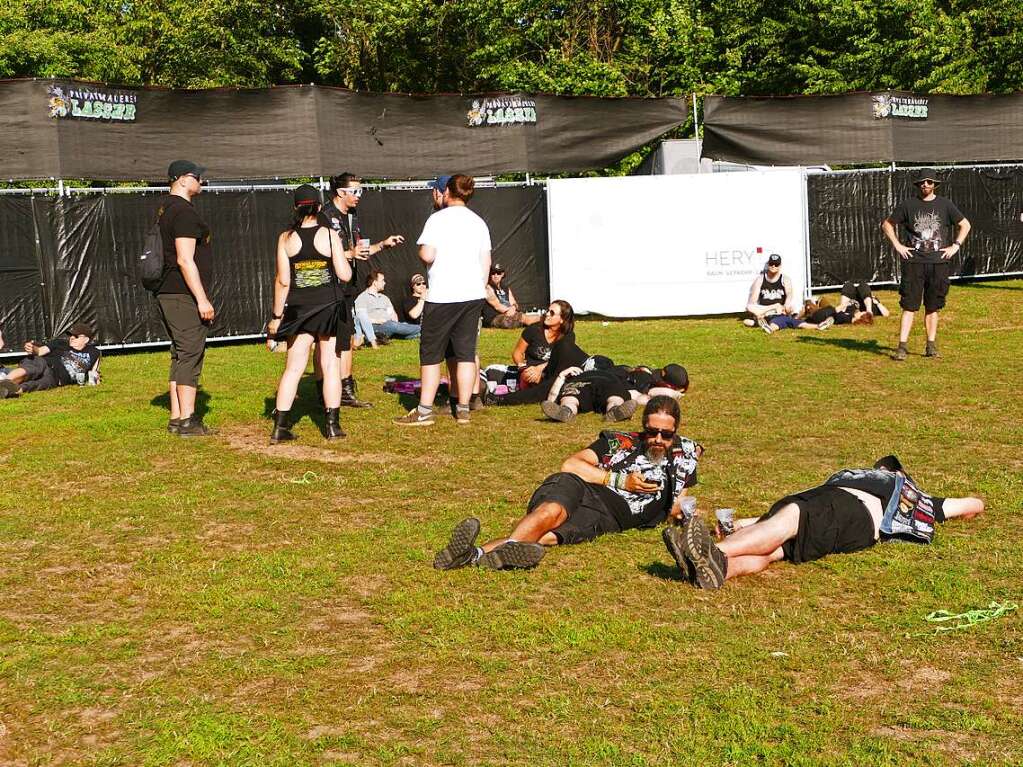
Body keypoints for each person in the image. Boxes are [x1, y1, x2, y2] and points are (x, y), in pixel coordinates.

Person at [433, 396, 701, 570]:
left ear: (675, 431)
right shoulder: (620, 441)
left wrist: (687, 516)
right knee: (551, 514)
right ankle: (501, 557)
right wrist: (620, 480)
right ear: (643, 427)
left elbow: (678, 505)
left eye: (666, 434)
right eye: (652, 431)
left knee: (548, 537)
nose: (657, 438)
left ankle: (473, 556)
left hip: (610, 518)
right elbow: (571, 465)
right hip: (582, 488)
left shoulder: (685, 456)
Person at [662, 454, 984, 590]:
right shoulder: (922, 505)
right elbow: (973, 505)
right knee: (777, 551)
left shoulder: (883, 486)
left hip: (842, 507)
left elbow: (975, 504)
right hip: (856, 534)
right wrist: (745, 524)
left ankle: (710, 552)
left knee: (792, 518)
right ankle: (717, 571)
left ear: (893, 474)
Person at [394, 174, 491, 426]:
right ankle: (464, 409)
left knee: (431, 354)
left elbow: (427, 254)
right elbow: (486, 262)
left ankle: (424, 411)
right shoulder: (478, 222)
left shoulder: (437, 219)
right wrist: (478, 288)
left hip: (443, 296)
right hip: (472, 295)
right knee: (466, 353)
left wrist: (421, 250)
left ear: (447, 191)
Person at [265, 185, 351, 443]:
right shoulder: (329, 235)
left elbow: (282, 281)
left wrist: (276, 316)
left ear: (296, 207)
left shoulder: (285, 238)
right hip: (328, 306)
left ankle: (280, 427)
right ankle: (332, 426)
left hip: (298, 309)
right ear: (318, 207)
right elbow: (345, 274)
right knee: (330, 365)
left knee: (294, 367)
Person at [319, 172, 405, 407]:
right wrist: (348, 254)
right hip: (329, 288)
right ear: (340, 192)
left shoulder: (353, 215)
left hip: (348, 287)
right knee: (327, 341)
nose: (359, 196)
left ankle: (345, 390)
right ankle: (325, 389)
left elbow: (359, 251)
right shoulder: (324, 217)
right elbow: (318, 253)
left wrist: (382, 245)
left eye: (361, 191)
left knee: (345, 340)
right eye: (355, 191)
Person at [882, 168, 971, 360]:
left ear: (935, 184)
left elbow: (965, 224)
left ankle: (931, 346)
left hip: (938, 263)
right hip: (914, 263)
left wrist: (955, 246)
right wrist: (898, 245)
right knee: (909, 305)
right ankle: (902, 347)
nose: (925, 185)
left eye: (929, 182)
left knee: (933, 306)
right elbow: (887, 224)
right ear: (917, 185)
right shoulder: (908, 205)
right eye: (922, 182)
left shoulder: (945, 205)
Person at [156, 160, 215, 436]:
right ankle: (189, 420)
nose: (201, 181)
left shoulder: (165, 208)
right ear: (180, 179)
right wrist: (202, 299)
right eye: (197, 176)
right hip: (182, 293)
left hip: (168, 291)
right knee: (190, 352)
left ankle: (177, 417)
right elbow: (184, 259)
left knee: (179, 353)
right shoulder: (183, 213)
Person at [483, 300, 589, 407]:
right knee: (494, 372)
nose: (547, 314)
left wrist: (540, 369)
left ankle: (503, 398)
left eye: (552, 313)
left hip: (551, 373)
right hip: (530, 371)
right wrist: (522, 367)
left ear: (562, 319)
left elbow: (564, 359)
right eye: (548, 311)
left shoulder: (568, 336)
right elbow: (517, 353)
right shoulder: (533, 330)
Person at [542, 362, 689, 423]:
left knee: (572, 396)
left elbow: (650, 394)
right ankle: (566, 412)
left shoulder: (642, 377)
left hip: (589, 379)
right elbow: (647, 395)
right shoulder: (632, 379)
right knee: (614, 396)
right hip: (606, 382)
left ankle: (567, 410)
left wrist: (561, 377)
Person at [0, 323, 101, 398]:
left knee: (33, 386)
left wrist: (95, 379)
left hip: (55, 380)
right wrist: (32, 348)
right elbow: (39, 351)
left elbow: (94, 372)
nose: (72, 338)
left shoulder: (94, 353)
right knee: (31, 370)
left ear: (86, 339)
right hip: (45, 364)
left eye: (76, 336)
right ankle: (5, 381)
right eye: (70, 335)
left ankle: (8, 392)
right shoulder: (59, 343)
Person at [354, 270, 422, 342]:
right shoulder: (362, 298)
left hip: (389, 325)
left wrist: (395, 322)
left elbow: (392, 313)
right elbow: (360, 318)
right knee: (393, 326)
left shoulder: (384, 298)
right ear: (375, 283)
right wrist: (377, 321)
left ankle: (391, 336)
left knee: (401, 325)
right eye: (382, 280)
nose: (385, 283)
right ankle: (424, 329)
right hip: (374, 326)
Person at [482, 263, 541, 329]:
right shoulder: (487, 288)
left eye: (498, 273)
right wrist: (510, 311)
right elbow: (497, 306)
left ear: (502, 274)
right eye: (493, 273)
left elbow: (514, 303)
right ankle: (524, 322)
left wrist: (513, 307)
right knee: (508, 322)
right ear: (490, 274)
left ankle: (539, 320)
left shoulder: (506, 288)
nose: (495, 276)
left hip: (510, 314)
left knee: (528, 318)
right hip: (494, 317)